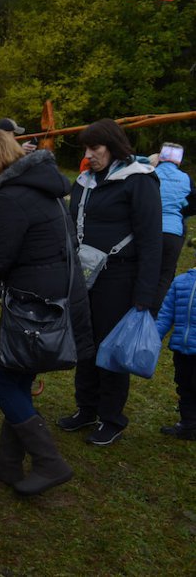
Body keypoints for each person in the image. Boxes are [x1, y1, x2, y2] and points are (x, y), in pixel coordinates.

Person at [0, 130, 94, 495]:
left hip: (34, 305)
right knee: (17, 376)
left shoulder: (8, 200)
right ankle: (7, 461)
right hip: (56, 295)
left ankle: (49, 461)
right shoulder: (39, 188)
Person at [56, 119, 161, 446]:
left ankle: (111, 417)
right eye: (86, 148)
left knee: (109, 347)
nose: (89, 155)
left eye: (95, 148)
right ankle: (85, 408)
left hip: (120, 277)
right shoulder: (85, 181)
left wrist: (145, 294)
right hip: (85, 275)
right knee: (85, 341)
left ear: (114, 147)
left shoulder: (139, 181)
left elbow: (150, 240)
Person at [156, 263, 196, 441]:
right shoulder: (181, 282)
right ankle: (188, 425)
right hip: (182, 349)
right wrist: (153, 338)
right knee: (185, 385)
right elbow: (166, 314)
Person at [152, 143, 195, 306]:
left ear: (160, 157)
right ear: (179, 161)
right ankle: (156, 312)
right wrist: (182, 213)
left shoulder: (150, 174)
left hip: (150, 229)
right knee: (166, 273)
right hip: (173, 232)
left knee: (145, 269)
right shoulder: (186, 179)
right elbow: (194, 204)